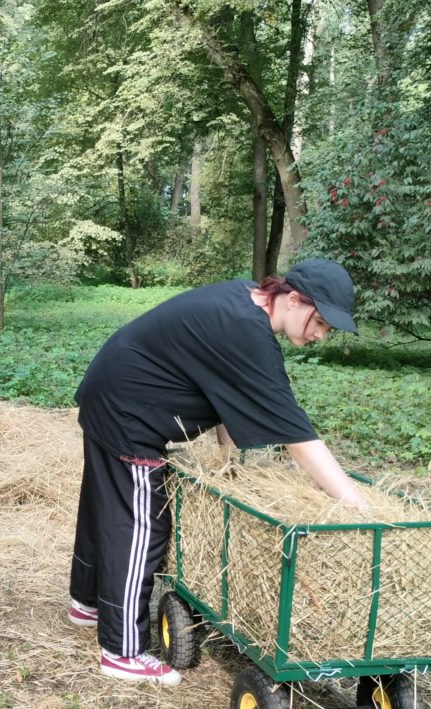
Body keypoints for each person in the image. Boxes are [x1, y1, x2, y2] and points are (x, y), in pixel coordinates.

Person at [69, 258, 369, 685]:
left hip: (111, 391)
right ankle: (122, 651)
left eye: (328, 329)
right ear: (293, 298)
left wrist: (230, 464)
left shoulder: (242, 301)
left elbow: (227, 391)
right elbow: (298, 436)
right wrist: (354, 503)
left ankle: (88, 603)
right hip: (128, 413)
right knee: (139, 523)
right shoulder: (248, 331)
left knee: (105, 504)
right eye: (319, 321)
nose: (320, 334)